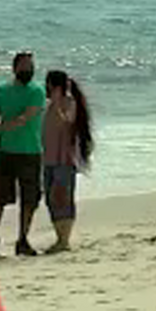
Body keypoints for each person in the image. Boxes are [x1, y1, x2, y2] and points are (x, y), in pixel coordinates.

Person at [0, 52, 46, 257]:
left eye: (31, 66)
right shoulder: (2, 91)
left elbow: (22, 120)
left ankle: (22, 239)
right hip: (5, 151)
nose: (28, 70)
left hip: (30, 151)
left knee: (30, 198)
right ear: (15, 68)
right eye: (24, 66)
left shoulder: (37, 91)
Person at [41, 70, 94, 254]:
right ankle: (60, 238)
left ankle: (64, 240)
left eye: (48, 84)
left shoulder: (70, 103)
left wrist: (57, 103)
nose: (45, 88)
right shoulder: (48, 105)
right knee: (50, 199)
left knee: (62, 197)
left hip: (64, 159)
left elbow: (66, 123)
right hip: (48, 159)